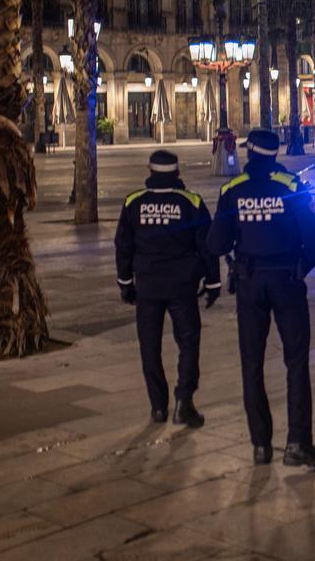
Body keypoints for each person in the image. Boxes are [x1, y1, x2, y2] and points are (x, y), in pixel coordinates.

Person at [208, 129, 315, 471]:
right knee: (296, 362)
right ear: (275, 154)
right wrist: (298, 270)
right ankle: (298, 443)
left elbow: (216, 243)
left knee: (252, 364)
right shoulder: (291, 186)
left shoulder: (231, 191)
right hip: (286, 280)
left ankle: (260, 444)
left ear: (249, 154)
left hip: (249, 285)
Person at [115, 150, 220, 428]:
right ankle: (184, 401)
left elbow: (123, 246)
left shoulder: (133, 202)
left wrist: (125, 283)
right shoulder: (192, 203)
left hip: (147, 286)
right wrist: (212, 282)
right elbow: (207, 247)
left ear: (150, 172)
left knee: (149, 347)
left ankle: (158, 406)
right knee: (188, 343)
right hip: (182, 287)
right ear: (177, 174)